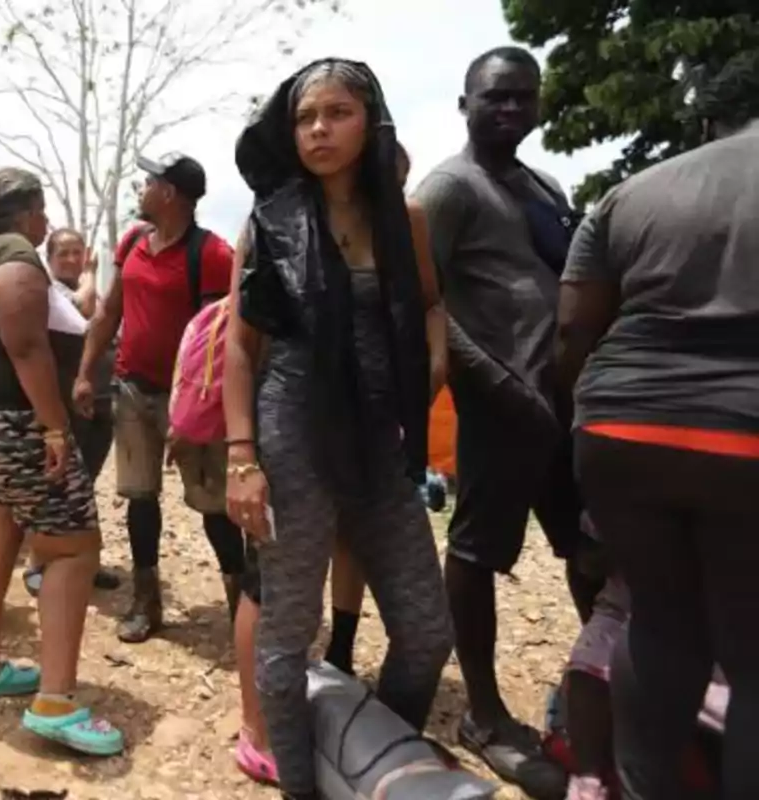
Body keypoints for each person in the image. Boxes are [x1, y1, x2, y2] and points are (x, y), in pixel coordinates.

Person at [224, 59, 453, 800]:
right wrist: (241, 458)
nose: (319, 129)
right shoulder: (268, 221)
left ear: (371, 120)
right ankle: (300, 786)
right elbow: (240, 346)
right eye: (304, 117)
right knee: (288, 638)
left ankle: (368, 760)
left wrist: (434, 363)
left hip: (381, 435)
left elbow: (427, 304)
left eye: (337, 113)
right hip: (291, 428)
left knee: (424, 634)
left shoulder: (404, 217)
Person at [556, 50, 759, 800]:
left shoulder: (629, 193)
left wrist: (585, 426)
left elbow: (574, 329)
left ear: (705, 118)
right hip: (745, 439)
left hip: (622, 432)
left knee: (659, 620)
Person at [413, 46, 599, 793]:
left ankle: (602, 695)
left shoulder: (541, 184)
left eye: (524, 97)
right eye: (495, 98)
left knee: (591, 551)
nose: (511, 110)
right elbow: (423, 302)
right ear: (465, 105)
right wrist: (492, 381)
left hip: (561, 407)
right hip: (498, 407)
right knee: (477, 553)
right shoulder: (447, 189)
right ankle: (484, 715)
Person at [0, 167, 123, 756]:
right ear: (29, 211)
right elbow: (27, 344)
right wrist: (55, 425)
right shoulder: (13, 253)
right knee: (72, 549)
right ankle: (56, 704)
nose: (45, 221)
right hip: (8, 424)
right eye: (42, 211)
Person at [73, 152, 244, 643]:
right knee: (139, 498)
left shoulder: (213, 255)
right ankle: (146, 601)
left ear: (169, 194)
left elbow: (218, 341)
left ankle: (242, 603)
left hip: (188, 401)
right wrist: (86, 372)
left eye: (148, 182)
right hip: (131, 390)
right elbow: (108, 312)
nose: (140, 188)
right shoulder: (131, 242)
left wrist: (192, 415)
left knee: (212, 504)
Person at [21, 228, 120, 596]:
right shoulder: (49, 290)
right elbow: (83, 310)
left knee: (85, 486)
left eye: (78, 253)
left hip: (98, 399)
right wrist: (93, 274)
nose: (72, 260)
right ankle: (39, 564)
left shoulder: (84, 290)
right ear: (49, 258)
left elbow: (99, 319)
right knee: (57, 486)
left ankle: (81, 562)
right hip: (63, 403)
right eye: (64, 253)